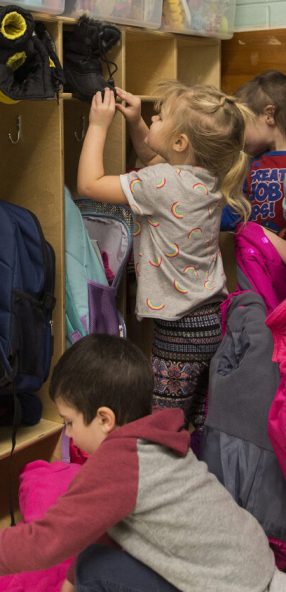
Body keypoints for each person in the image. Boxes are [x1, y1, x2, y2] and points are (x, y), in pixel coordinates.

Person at [0, 335, 286, 592]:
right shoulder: (154, 438)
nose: (69, 436)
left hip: (234, 585)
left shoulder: (119, 460)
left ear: (105, 419)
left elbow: (46, 541)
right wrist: (73, 579)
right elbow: (109, 521)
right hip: (255, 567)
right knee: (90, 563)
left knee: (97, 569)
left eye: (69, 422)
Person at [73, 82, 252, 430]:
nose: (154, 118)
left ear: (180, 143)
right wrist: (137, 122)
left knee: (160, 427)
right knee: (195, 425)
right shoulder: (210, 178)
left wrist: (97, 125)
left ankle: (161, 480)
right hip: (210, 323)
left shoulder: (162, 182)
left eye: (161, 117)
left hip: (178, 335)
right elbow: (156, 155)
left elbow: (90, 184)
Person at [221, 70, 286, 237]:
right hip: (256, 255)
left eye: (242, 125)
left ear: (269, 115)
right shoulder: (251, 163)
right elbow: (236, 209)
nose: (238, 135)